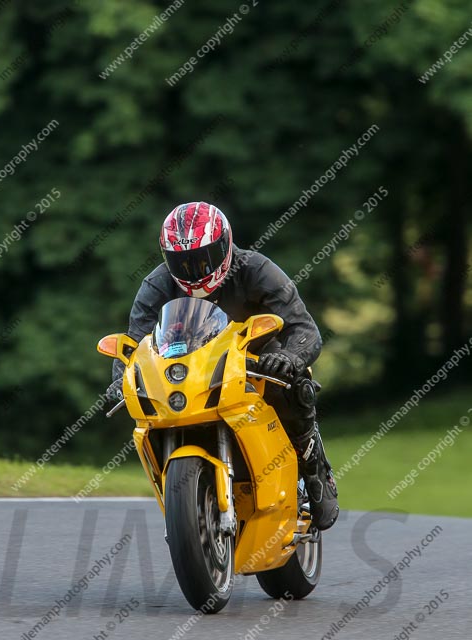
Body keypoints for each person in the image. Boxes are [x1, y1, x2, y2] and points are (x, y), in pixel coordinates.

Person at [106, 201, 339, 531]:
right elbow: (135, 344)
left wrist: (288, 357)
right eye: (181, 261)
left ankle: (315, 470)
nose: (194, 268)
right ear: (166, 257)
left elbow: (303, 327)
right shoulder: (156, 285)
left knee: (294, 385)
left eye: (203, 257)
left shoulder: (255, 268)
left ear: (225, 244)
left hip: (257, 359)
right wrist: (121, 378)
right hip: (189, 371)